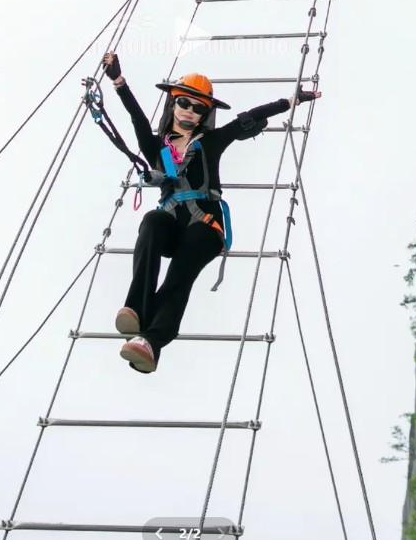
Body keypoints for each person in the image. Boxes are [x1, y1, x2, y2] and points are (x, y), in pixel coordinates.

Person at [101, 51, 319, 374]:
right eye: (184, 104)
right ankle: (136, 307)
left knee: (180, 274)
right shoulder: (158, 147)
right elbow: (136, 119)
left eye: (198, 108)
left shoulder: (212, 141)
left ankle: (151, 341)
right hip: (173, 226)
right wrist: (119, 82)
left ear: (205, 114)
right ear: (173, 103)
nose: (189, 112)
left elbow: (247, 117)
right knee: (151, 222)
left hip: (205, 228)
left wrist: (291, 101)